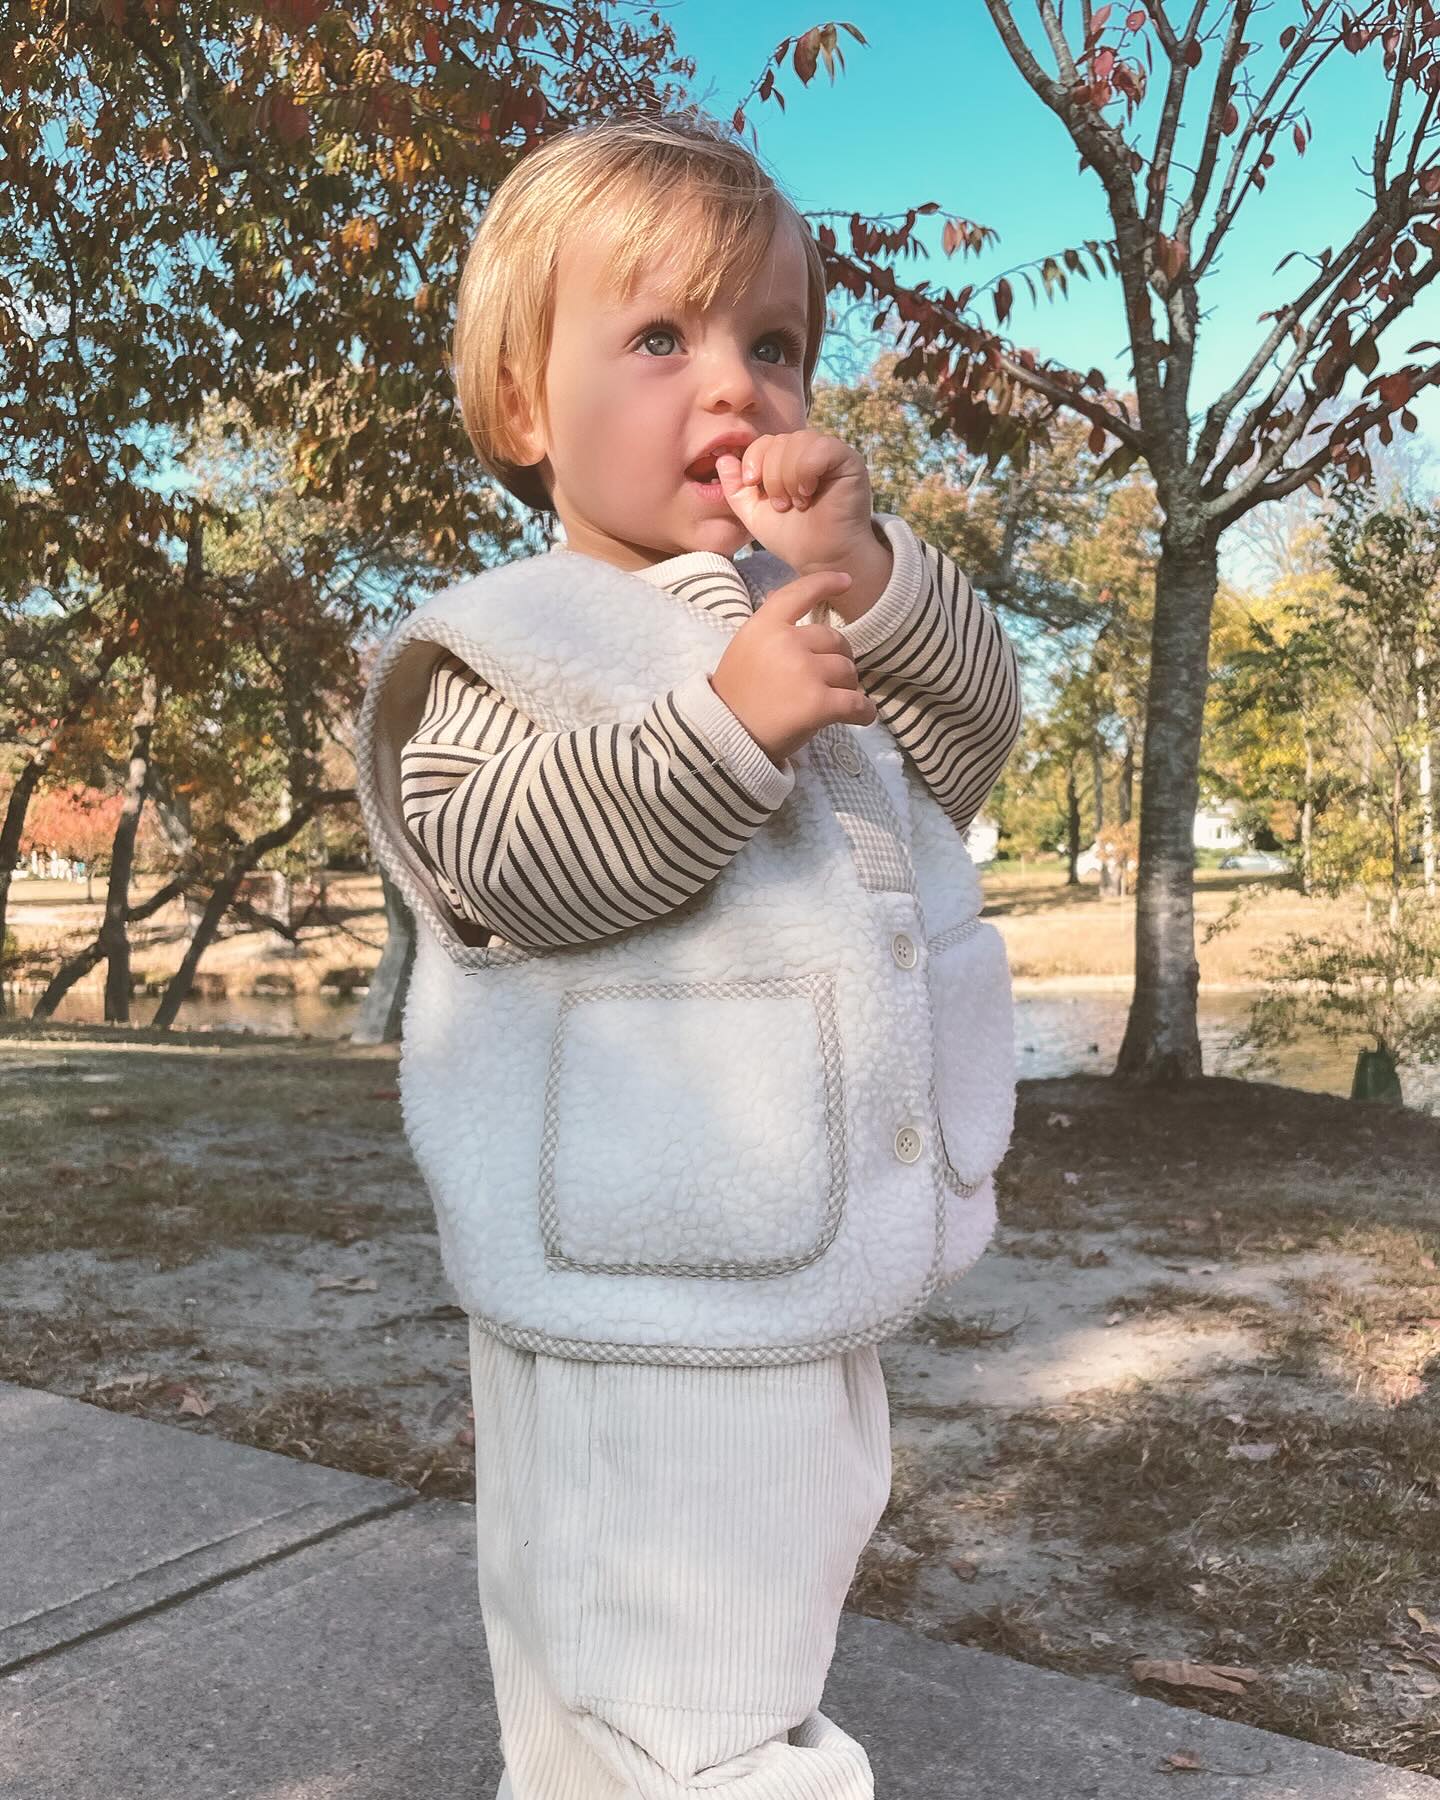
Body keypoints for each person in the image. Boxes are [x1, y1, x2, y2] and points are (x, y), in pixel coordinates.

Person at [356, 108, 1022, 1799]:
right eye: (662, 337)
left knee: (671, 1689)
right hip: (637, 1300)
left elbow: (971, 744)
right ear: (525, 403)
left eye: (773, 345)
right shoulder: (502, 642)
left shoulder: (810, 612)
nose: (736, 387)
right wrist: (729, 728)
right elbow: (510, 863)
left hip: (789, 1275)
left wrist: (868, 572)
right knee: (686, 1708)